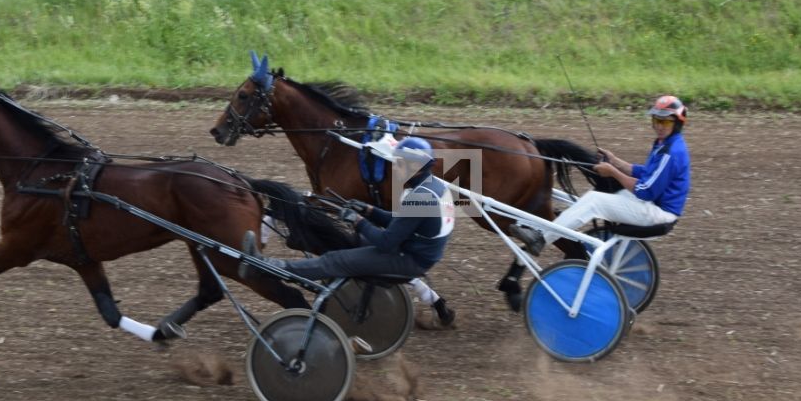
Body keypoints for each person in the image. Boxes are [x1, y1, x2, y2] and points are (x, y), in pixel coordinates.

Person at [239, 137, 456, 327]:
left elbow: (386, 242)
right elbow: (401, 222)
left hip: (409, 259)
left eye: (399, 163)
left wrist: (358, 221)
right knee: (350, 243)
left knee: (334, 260)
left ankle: (267, 267)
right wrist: (370, 211)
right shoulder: (434, 187)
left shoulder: (420, 197)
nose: (394, 167)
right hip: (416, 251)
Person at [510, 96, 691, 255]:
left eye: (666, 122)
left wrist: (613, 172)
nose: (659, 126)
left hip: (658, 212)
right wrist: (615, 161)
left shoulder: (670, 153)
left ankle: (540, 239)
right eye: (656, 120)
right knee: (596, 198)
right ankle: (547, 229)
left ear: (677, 123)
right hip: (652, 204)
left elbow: (646, 190)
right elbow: (647, 173)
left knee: (596, 201)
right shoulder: (663, 143)